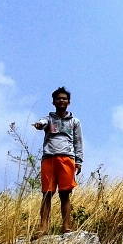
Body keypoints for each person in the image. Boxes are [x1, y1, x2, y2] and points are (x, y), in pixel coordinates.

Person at [32, 86, 83, 236]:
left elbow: (78, 142)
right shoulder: (48, 119)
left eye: (64, 98)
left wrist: (78, 161)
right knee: (47, 193)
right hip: (49, 158)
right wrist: (39, 125)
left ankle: (66, 226)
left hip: (67, 158)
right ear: (53, 102)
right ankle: (43, 227)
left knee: (65, 194)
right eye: (58, 98)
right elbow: (42, 123)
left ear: (69, 102)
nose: (61, 101)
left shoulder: (74, 122)